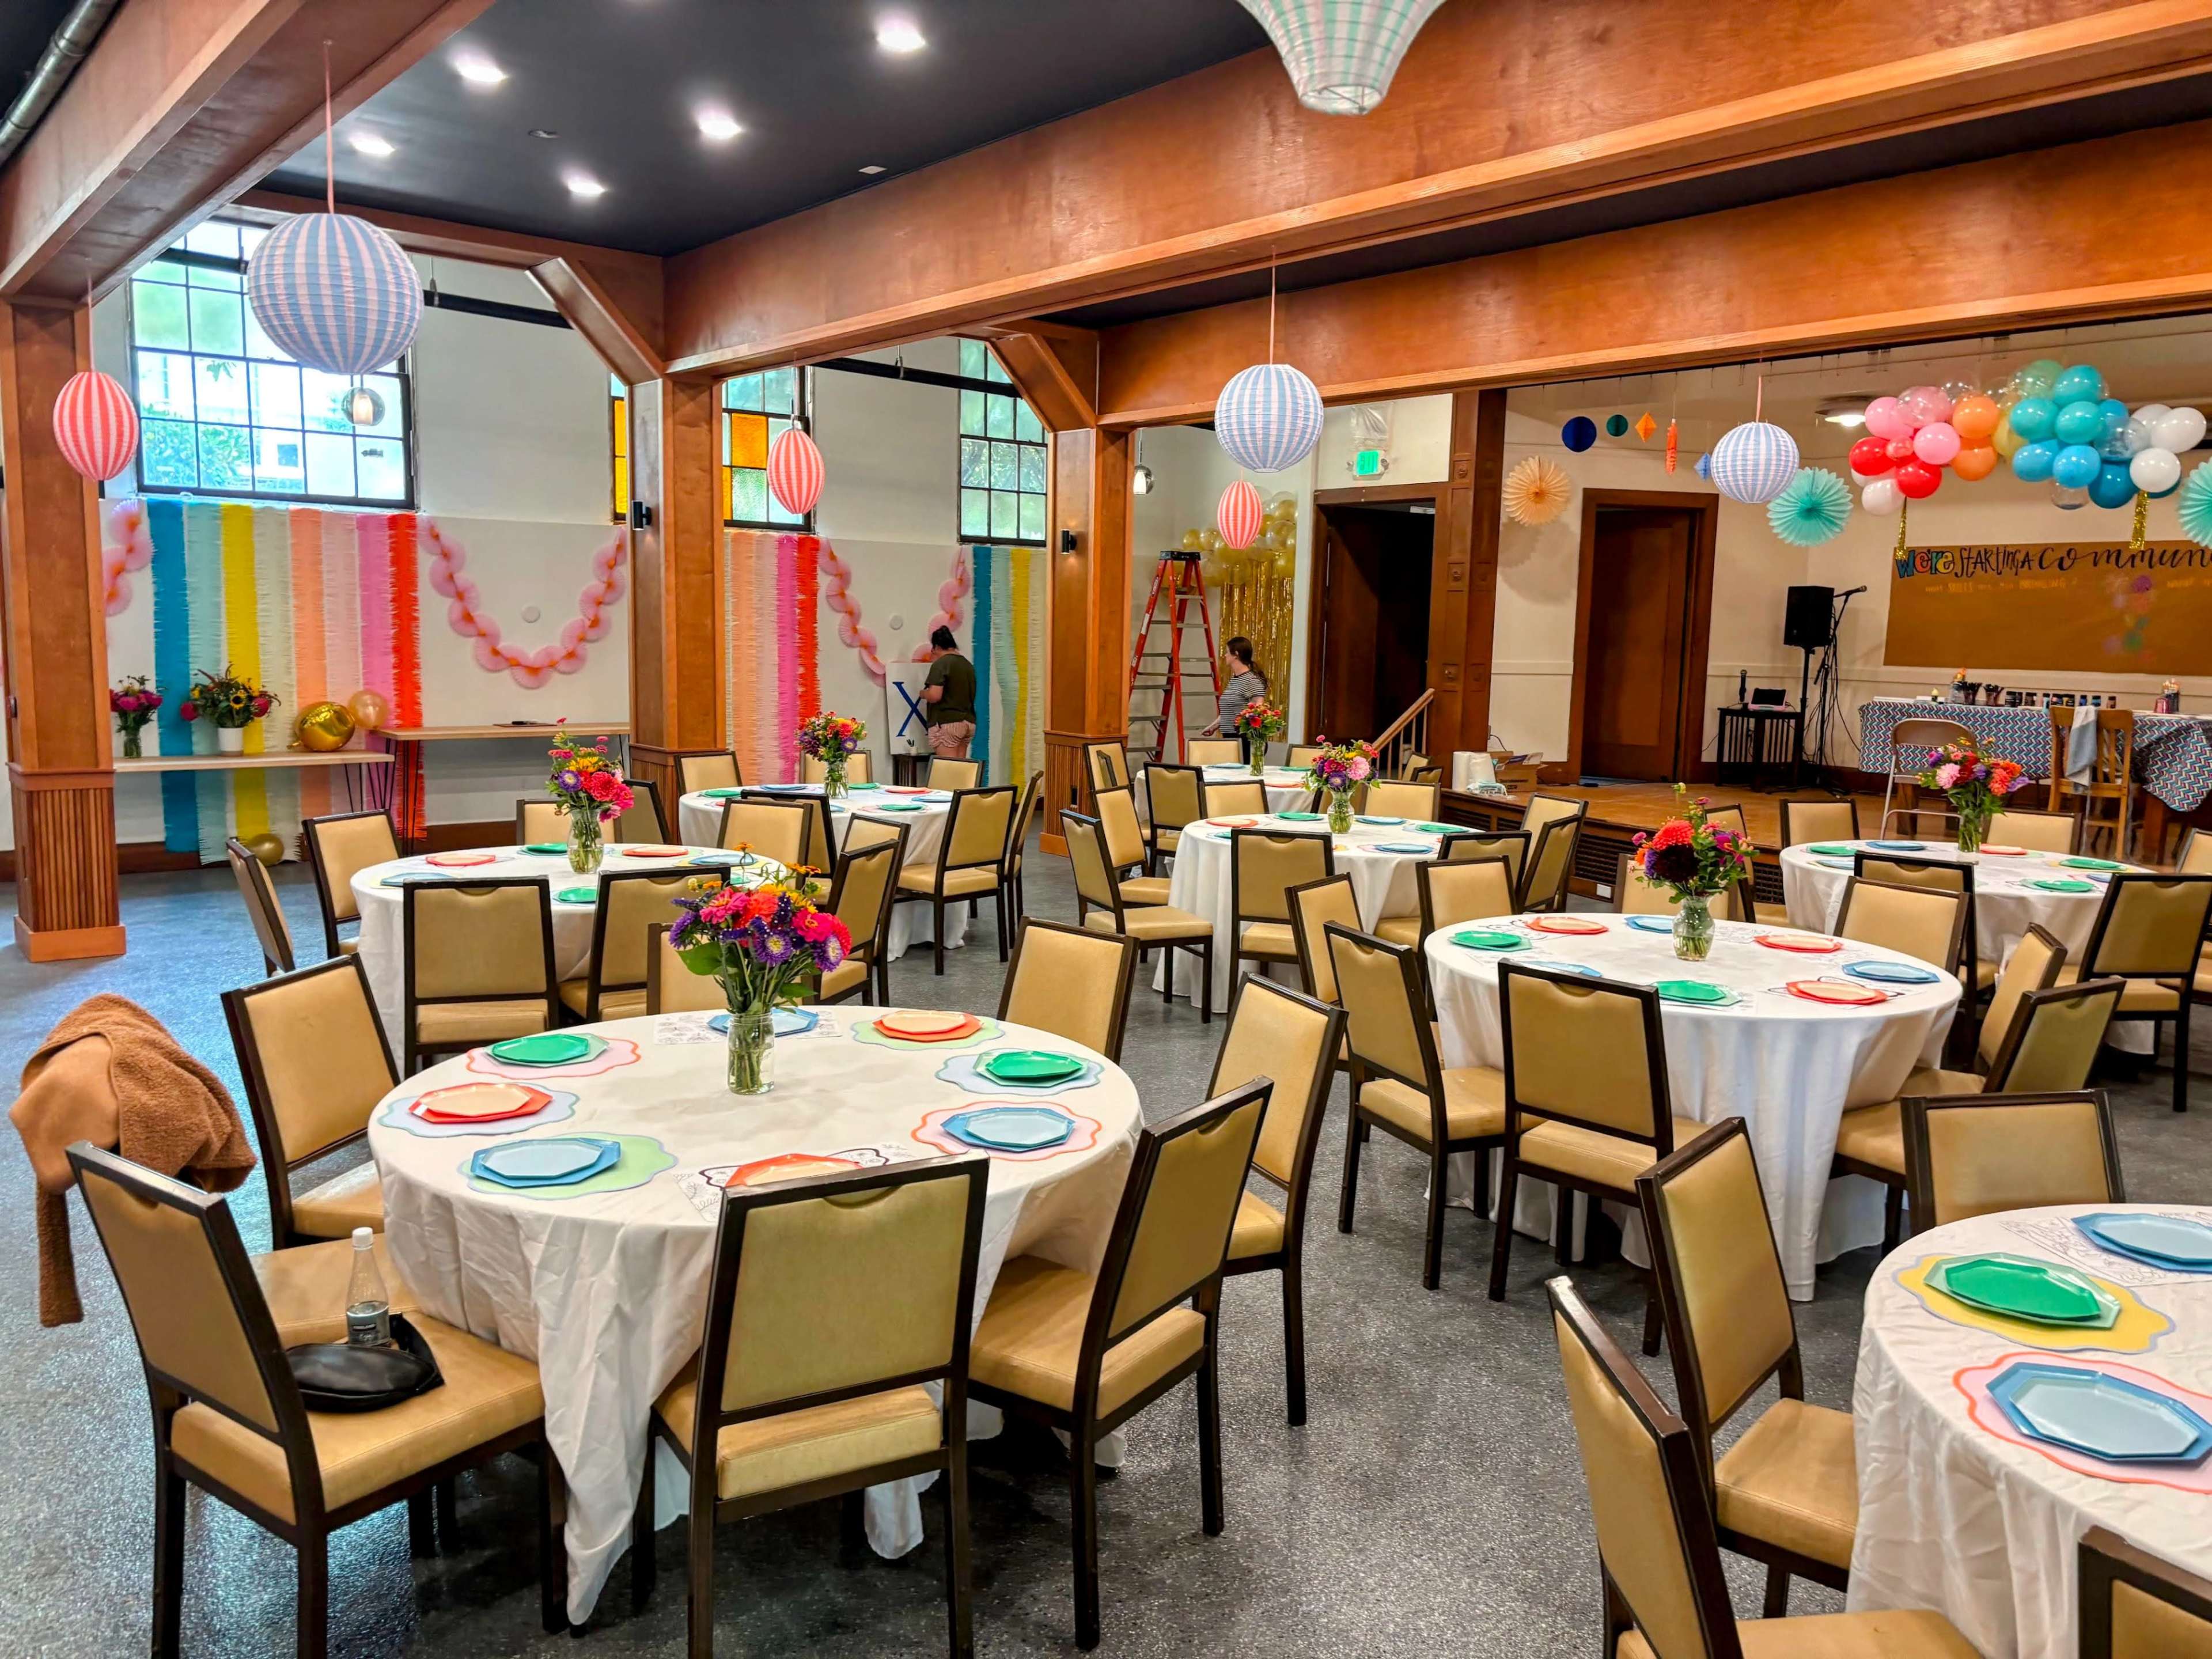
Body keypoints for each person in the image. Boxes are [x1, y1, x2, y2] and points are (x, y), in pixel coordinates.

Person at [919, 625, 977, 760]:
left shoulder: (941, 664)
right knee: (961, 770)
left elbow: (935, 695)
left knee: (949, 771)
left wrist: (923, 693)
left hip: (948, 722)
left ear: (937, 646)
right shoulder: (967, 665)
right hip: (968, 722)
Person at [1202, 638, 1268, 749]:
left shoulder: (1251, 680)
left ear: (1236, 654)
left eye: (1227, 652)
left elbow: (1258, 709)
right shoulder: (1235, 679)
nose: (1225, 656)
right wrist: (1213, 726)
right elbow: (1230, 710)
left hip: (1246, 739)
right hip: (1230, 738)